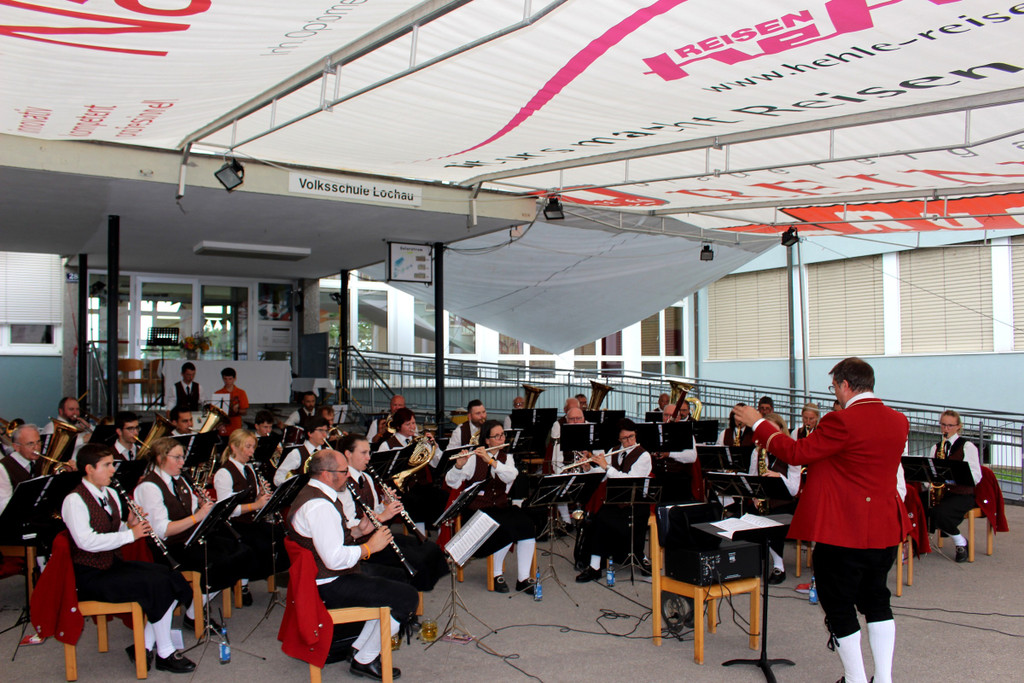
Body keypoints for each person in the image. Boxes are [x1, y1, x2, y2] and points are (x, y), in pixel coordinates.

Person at [734, 357, 907, 683]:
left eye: (834, 387)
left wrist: (759, 423)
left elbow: (797, 453)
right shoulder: (898, 421)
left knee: (839, 605)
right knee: (876, 600)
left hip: (843, 529)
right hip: (884, 528)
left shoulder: (841, 421)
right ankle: (884, 679)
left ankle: (855, 679)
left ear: (844, 385)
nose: (836, 394)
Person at [284, 449, 418, 680]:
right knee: (407, 598)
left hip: (327, 574)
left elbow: (331, 539)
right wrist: (370, 547)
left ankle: (359, 647)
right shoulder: (320, 506)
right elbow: (333, 559)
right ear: (326, 474)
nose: (348, 476)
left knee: (397, 577)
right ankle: (364, 659)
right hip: (329, 583)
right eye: (344, 471)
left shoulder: (316, 493)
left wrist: (359, 530)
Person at [63, 443, 195, 673]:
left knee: (170, 577)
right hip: (91, 575)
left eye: (112, 464)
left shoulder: (111, 493)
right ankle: (164, 652)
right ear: (89, 469)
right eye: (107, 465)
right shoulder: (74, 501)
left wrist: (130, 523)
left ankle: (144, 646)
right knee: (155, 584)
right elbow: (87, 541)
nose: (113, 470)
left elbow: (113, 527)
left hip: (112, 565)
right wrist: (129, 535)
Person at [134, 437, 253, 632]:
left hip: (190, 539)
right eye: (177, 458)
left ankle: (194, 609)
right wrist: (198, 516)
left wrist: (201, 505)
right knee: (219, 561)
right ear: (160, 458)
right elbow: (163, 530)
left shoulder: (179, 480)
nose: (182, 463)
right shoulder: (149, 487)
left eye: (183, 457)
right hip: (170, 549)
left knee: (242, 552)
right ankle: (194, 613)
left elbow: (190, 512)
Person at [339, 433, 448, 592]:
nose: (368, 458)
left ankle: (415, 593)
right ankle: (407, 600)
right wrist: (383, 516)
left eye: (369, 453)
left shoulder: (367, 478)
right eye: (363, 453)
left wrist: (386, 504)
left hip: (379, 535)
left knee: (431, 549)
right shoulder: (343, 484)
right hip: (363, 544)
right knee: (417, 559)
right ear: (348, 454)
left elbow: (374, 510)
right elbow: (350, 525)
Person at [445, 420, 537, 595]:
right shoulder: (474, 459)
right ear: (487, 440)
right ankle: (497, 574)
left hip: (501, 507)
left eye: (503, 435)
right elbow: (451, 481)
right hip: (478, 511)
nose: (502, 438)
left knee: (526, 525)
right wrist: (459, 465)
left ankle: (523, 578)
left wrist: (493, 462)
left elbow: (511, 476)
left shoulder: (506, 458)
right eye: (497, 436)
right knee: (504, 528)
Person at [213, 429, 287, 602]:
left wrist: (261, 496)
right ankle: (242, 582)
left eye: (253, 447)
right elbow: (227, 509)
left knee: (280, 537)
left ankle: (250, 575)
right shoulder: (224, 473)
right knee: (258, 545)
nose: (251, 452)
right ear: (234, 447)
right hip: (231, 525)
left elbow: (253, 498)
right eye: (247, 447)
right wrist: (255, 505)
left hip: (250, 521)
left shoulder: (249, 469)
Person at [575, 419, 653, 582]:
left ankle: (638, 555)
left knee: (604, 518)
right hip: (616, 502)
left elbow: (629, 480)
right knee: (597, 518)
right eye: (624, 438)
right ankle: (594, 566)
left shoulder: (644, 455)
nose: (629, 441)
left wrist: (606, 467)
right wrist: (589, 468)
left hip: (635, 504)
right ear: (619, 439)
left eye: (631, 436)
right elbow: (603, 476)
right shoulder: (614, 450)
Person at [747, 412, 801, 584]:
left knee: (773, 523)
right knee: (745, 519)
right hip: (764, 501)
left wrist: (779, 477)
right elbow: (752, 478)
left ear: (781, 431)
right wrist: (755, 496)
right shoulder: (757, 452)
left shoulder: (792, 452)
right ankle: (751, 562)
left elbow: (793, 489)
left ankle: (779, 567)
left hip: (785, 503)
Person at [376, 408, 446, 536]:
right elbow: (383, 472)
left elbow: (437, 464)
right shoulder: (387, 445)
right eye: (408, 424)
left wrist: (434, 447)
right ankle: (420, 539)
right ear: (398, 426)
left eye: (413, 423)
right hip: (401, 489)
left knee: (441, 497)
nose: (412, 427)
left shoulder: (421, 441)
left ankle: (442, 537)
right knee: (415, 502)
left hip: (421, 486)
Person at [927, 409, 981, 563]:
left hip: (962, 494)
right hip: (943, 493)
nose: (946, 429)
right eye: (943, 425)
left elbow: (976, 475)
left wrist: (956, 478)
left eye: (950, 425)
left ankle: (960, 542)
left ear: (958, 426)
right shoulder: (936, 448)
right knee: (918, 505)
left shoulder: (967, 446)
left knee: (940, 513)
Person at [652, 403, 698, 504]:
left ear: (678, 417)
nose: (669, 418)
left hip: (679, 480)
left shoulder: (686, 432)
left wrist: (669, 454)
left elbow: (692, 457)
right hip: (658, 479)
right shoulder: (655, 430)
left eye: (672, 416)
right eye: (666, 415)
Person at [274, 416, 330, 486]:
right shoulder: (297, 453)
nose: (325, 435)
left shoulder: (328, 452)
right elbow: (278, 478)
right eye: (321, 430)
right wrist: (296, 482)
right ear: (310, 433)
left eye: (326, 431)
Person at [1, 423, 43, 514]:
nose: (37, 448)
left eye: (38, 442)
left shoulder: (41, 459)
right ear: (16, 447)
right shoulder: (3, 467)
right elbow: (4, 505)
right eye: (30, 444)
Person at [212, 367, 248, 437]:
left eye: (230, 379)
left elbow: (244, 411)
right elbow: (215, 413)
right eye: (225, 379)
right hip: (223, 428)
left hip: (236, 427)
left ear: (234, 379)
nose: (227, 381)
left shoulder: (241, 393)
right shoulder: (218, 393)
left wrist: (237, 410)